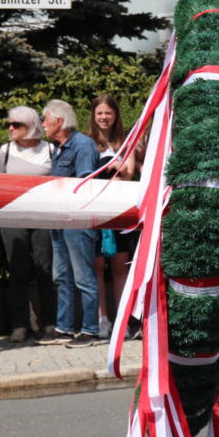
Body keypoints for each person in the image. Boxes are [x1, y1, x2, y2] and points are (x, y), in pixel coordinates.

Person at [40, 100, 101, 347]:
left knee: (83, 278)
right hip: (59, 221)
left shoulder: (83, 146)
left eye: (45, 119)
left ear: (59, 121)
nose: (43, 124)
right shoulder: (58, 147)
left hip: (77, 221)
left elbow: (85, 186)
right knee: (62, 276)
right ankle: (64, 328)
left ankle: (90, 331)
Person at [0, 107, 57, 343]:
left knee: (45, 269)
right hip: (12, 219)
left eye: (16, 124)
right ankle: (19, 325)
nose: (10, 128)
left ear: (30, 125)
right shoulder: (6, 151)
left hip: (43, 218)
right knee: (18, 270)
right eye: (9, 124)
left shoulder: (49, 150)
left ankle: (49, 323)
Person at [86, 95, 136, 338]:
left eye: (108, 113)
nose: (104, 118)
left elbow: (128, 174)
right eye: (99, 114)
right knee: (95, 267)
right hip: (94, 212)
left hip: (119, 212)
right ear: (93, 117)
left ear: (115, 115)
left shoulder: (126, 142)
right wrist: (106, 169)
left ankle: (123, 321)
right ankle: (101, 320)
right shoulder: (87, 143)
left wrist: (115, 169)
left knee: (119, 268)